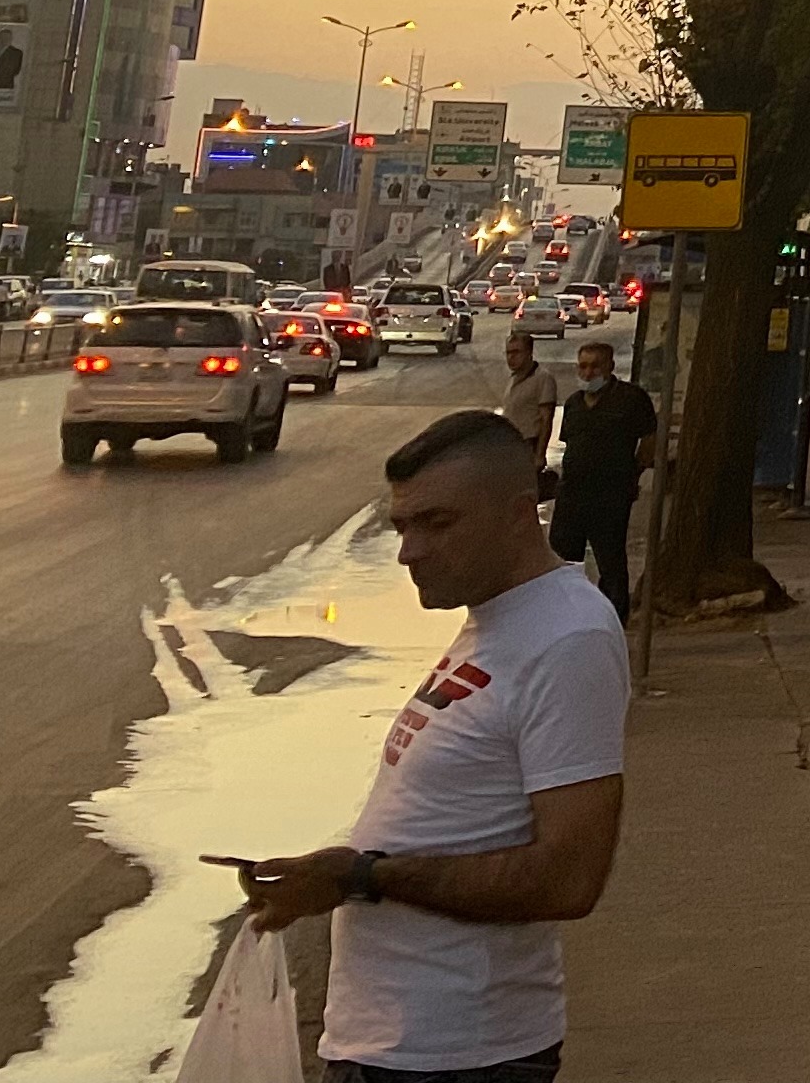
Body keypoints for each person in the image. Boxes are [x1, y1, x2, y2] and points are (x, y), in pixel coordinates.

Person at [233, 407, 628, 1083]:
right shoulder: (500, 620)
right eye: (403, 526)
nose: (409, 551)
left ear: (518, 514)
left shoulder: (568, 638)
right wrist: (338, 879)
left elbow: (569, 878)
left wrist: (363, 877)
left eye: (438, 523)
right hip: (398, 1046)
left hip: (457, 1058)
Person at [550, 340, 657, 621]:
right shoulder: (574, 403)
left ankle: (614, 616)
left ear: (610, 367)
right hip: (572, 494)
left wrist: (633, 473)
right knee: (564, 558)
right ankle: (568, 614)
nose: (588, 373)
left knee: (610, 559)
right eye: (583, 366)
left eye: (595, 367)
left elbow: (649, 440)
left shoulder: (630, 399)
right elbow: (570, 444)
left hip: (610, 495)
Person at [493, 332, 558, 471]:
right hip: (511, 444)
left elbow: (546, 420)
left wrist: (540, 454)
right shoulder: (513, 379)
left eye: (516, 352)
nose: (511, 357)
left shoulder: (542, 378)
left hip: (529, 445)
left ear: (529, 352)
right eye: (508, 353)